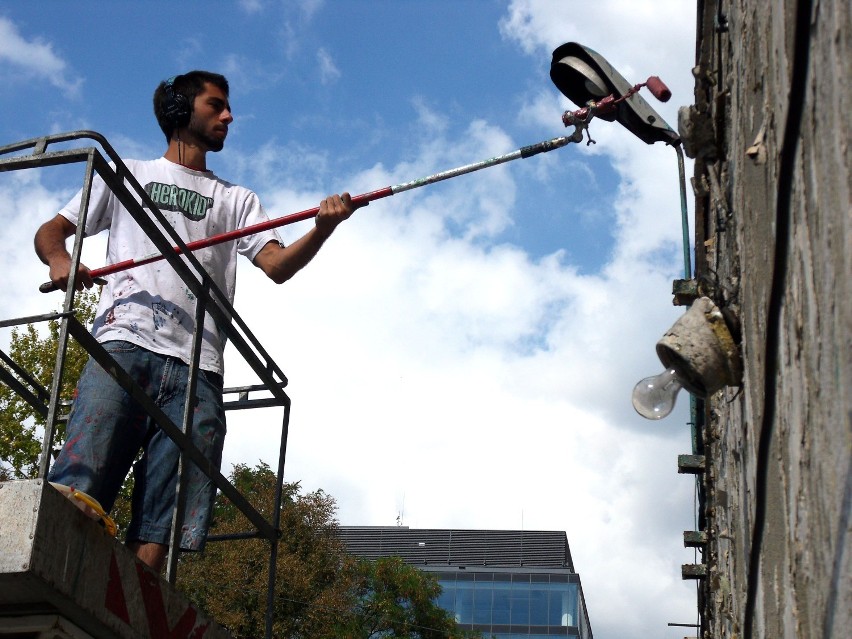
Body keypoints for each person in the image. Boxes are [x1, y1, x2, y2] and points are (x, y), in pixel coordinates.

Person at [34, 71, 359, 572]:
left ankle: (136, 604)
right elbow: (53, 231)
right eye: (216, 105)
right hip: (125, 341)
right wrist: (61, 261)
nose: (229, 116)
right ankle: (52, 573)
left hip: (199, 366)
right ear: (182, 110)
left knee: (168, 510)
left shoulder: (238, 200)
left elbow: (276, 267)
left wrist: (323, 228)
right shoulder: (128, 174)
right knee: (81, 475)